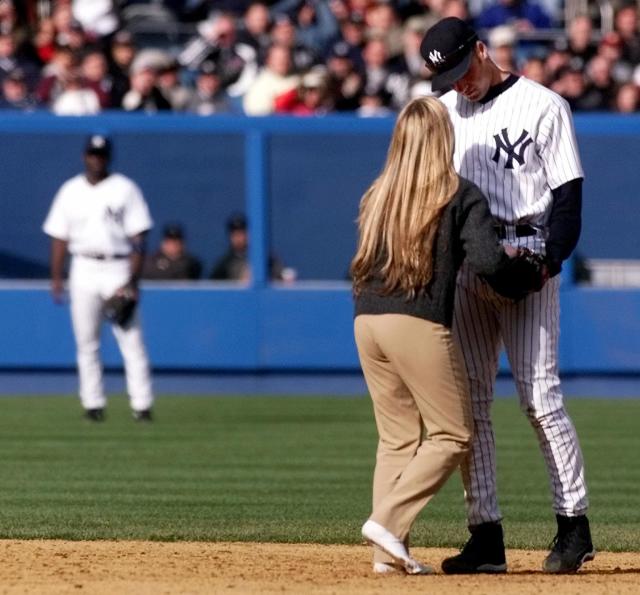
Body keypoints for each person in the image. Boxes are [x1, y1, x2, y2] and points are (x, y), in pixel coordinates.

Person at [420, 16, 593, 574]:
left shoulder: (544, 106)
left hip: (529, 251)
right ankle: (485, 534)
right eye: (449, 79)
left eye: (463, 70)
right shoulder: (446, 113)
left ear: (481, 49)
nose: (460, 85)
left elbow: (568, 200)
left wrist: (547, 262)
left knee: (540, 398)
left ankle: (574, 526)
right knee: (470, 405)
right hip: (473, 263)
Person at [352, 96, 517, 575]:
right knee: (453, 435)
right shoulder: (458, 193)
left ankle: (387, 555)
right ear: (444, 138)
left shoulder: (379, 192)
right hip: (417, 320)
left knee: (397, 439)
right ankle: (386, 523)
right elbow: (488, 263)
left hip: (367, 320)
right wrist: (522, 268)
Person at [42, 134, 155, 423]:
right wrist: (56, 276)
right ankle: (93, 405)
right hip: (83, 266)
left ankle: (141, 406)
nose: (97, 159)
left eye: (101, 155)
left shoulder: (124, 188)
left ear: (109, 158)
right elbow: (59, 237)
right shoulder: (70, 190)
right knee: (86, 341)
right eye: (92, 154)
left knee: (130, 338)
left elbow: (139, 236)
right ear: (84, 156)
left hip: (117, 266)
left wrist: (133, 280)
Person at [209, 213, 284, 281]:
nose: (239, 238)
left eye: (242, 233)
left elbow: (281, 276)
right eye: (235, 234)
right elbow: (213, 287)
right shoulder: (225, 263)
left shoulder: (265, 258)